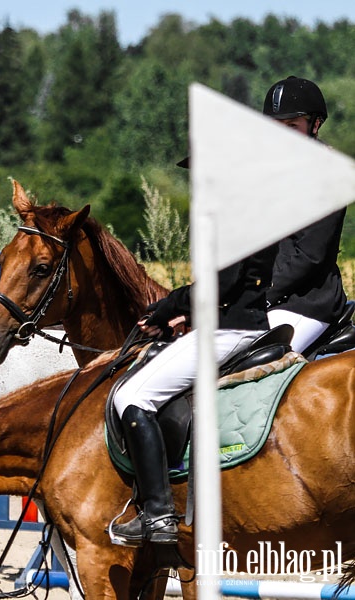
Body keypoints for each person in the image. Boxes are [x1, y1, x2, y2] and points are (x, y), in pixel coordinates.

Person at [109, 212, 279, 548]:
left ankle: (157, 513)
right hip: (238, 321)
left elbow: (223, 284)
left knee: (130, 397)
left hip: (228, 330)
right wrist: (184, 311)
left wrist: (166, 305)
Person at [261, 76, 348, 355]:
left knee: (243, 362)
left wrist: (258, 294)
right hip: (269, 298)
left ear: (315, 125)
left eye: (291, 126)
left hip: (305, 304)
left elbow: (309, 256)